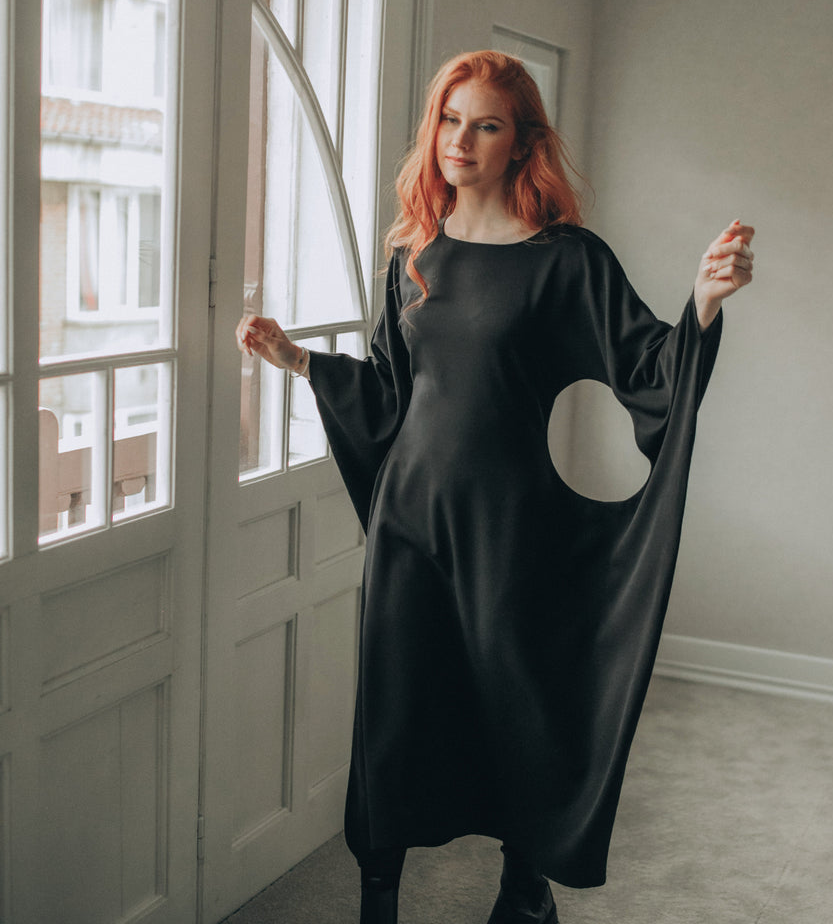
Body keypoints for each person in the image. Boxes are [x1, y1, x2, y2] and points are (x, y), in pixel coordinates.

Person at [237, 50, 754, 924]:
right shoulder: (413, 253)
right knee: (396, 713)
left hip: (513, 527)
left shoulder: (567, 261)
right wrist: (300, 362)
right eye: (450, 119)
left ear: (521, 143)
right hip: (410, 526)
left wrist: (702, 301)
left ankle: (524, 888)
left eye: (486, 125)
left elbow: (652, 374)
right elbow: (392, 395)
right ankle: (377, 898)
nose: (461, 140)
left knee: (522, 706)